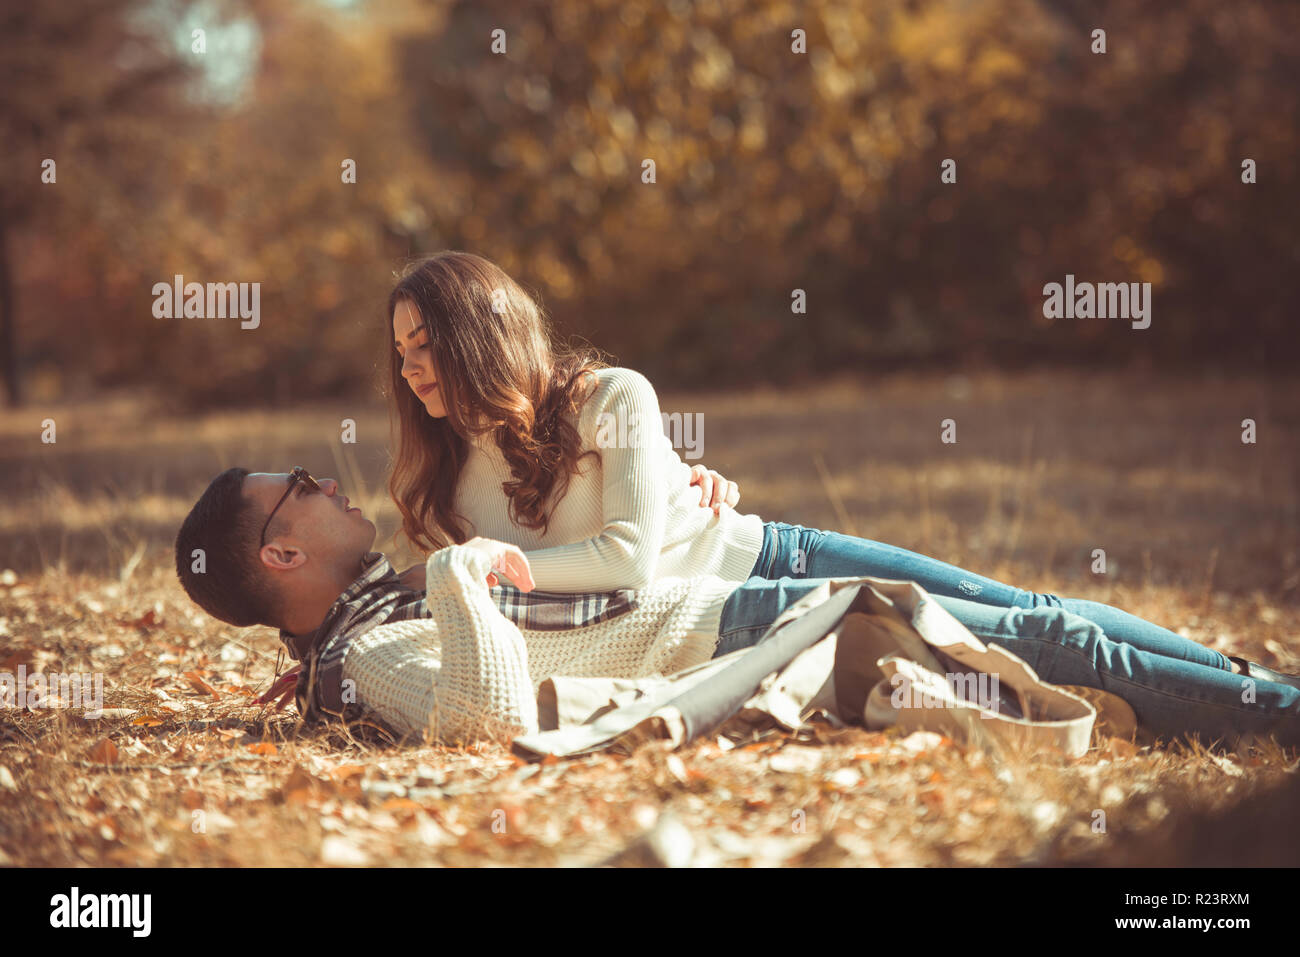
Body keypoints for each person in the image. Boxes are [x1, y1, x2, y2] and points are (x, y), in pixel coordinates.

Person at [383, 250, 1292, 690]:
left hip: (774, 559)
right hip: (730, 623)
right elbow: (452, 607)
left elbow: (624, 556)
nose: (413, 367)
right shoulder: (444, 482)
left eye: (428, 343)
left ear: (482, 335)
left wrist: (508, 565)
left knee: (1038, 618)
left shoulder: (610, 394)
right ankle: (1251, 696)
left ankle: (1244, 685)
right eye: (401, 352)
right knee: (1029, 649)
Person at [172, 466, 1300, 747]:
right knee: (1055, 641)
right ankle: (1277, 715)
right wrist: (461, 573)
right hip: (749, 635)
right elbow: (482, 715)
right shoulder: (368, 653)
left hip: (731, 604)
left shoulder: (358, 634)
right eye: (299, 491)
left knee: (1053, 626)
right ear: (278, 550)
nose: (324, 482)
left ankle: (1266, 698)